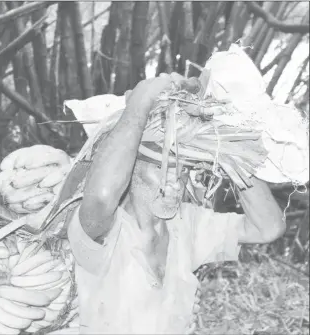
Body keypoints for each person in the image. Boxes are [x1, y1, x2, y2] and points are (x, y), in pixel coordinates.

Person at [66, 73, 285, 334]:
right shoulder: (101, 231)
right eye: (162, 169)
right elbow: (102, 195)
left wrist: (232, 152)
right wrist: (139, 106)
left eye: (182, 171)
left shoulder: (186, 224)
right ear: (130, 169)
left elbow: (267, 228)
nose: (176, 184)